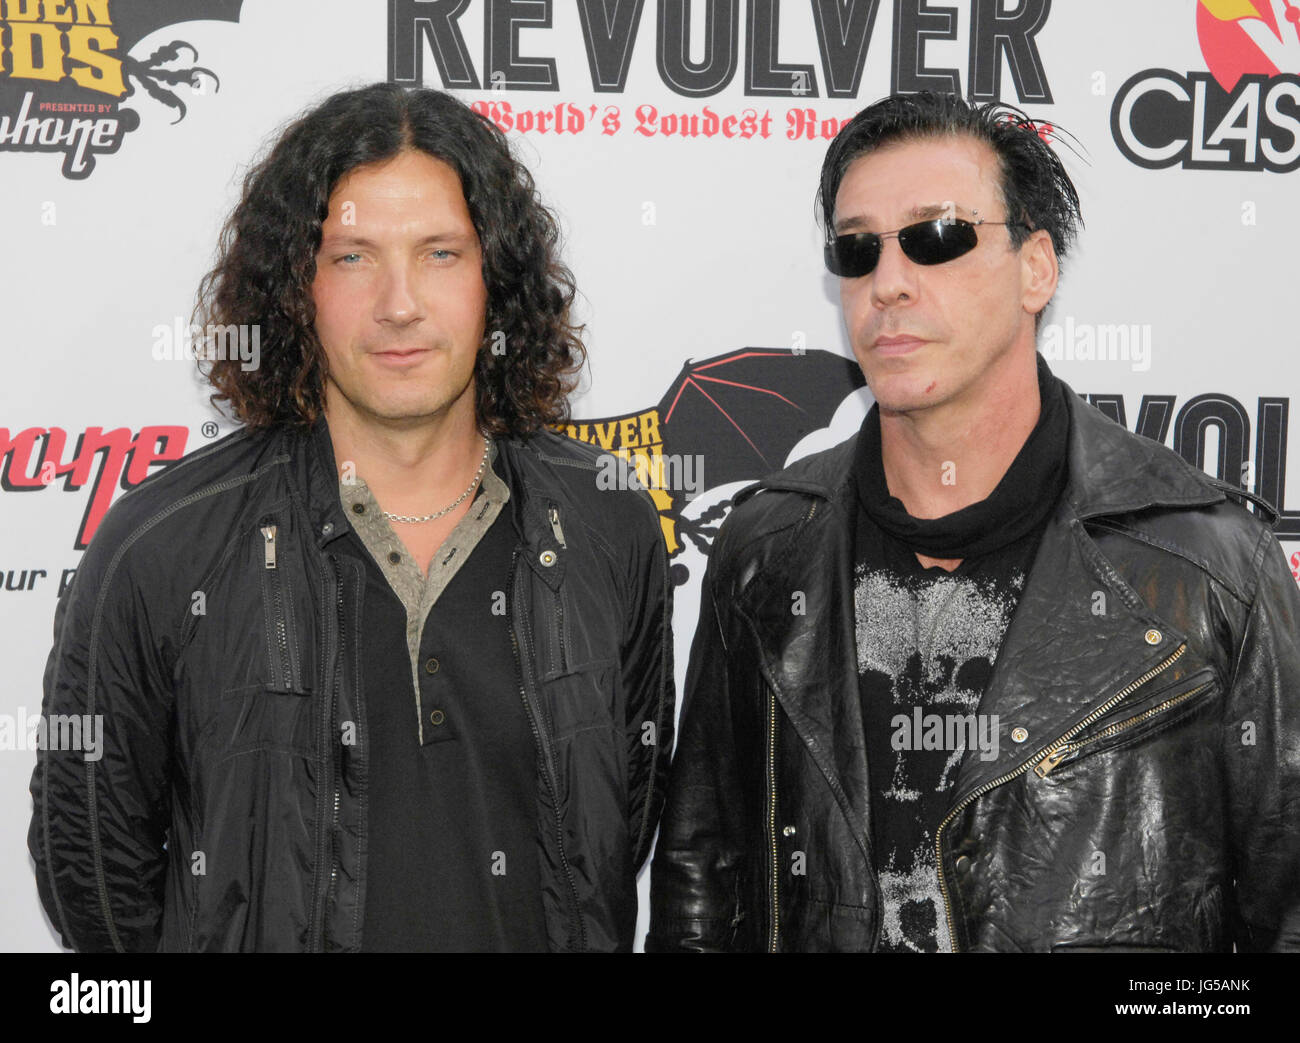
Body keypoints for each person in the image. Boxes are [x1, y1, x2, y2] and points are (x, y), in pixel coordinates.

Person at [647, 91, 1300, 953]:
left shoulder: (1208, 563)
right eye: (857, 249)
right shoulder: (767, 549)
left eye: (938, 236)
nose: (889, 282)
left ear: (1037, 268)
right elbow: (704, 876)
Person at [29, 83, 674, 953]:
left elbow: (617, 826)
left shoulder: (607, 524)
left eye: (441, 253)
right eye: (353, 257)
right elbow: (94, 874)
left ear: (497, 280)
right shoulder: (160, 546)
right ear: (296, 288)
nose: (399, 303)